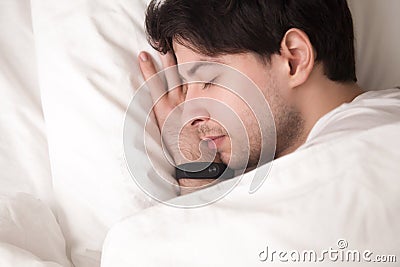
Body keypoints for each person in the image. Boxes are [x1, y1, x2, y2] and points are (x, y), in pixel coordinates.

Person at [137, 0, 400, 194]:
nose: (187, 113)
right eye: (186, 85)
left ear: (294, 60)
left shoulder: (370, 151)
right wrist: (199, 174)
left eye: (208, 79)